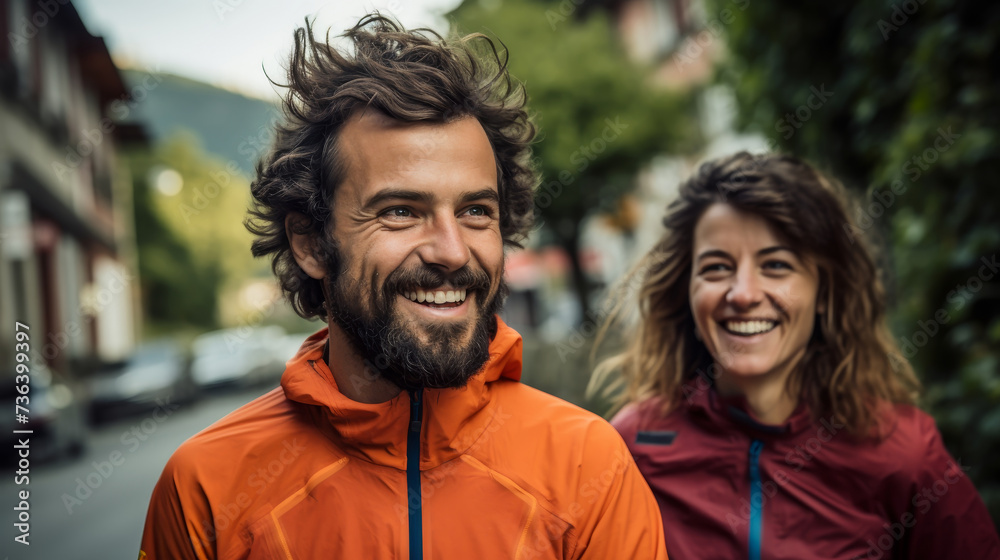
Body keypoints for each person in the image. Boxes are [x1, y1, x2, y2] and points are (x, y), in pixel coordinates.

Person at [138, 15, 667, 560]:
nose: (453, 251)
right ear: (311, 243)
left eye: (475, 211)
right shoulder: (205, 488)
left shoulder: (589, 466)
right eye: (400, 211)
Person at [593, 152, 1000, 559]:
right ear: (688, 290)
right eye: (717, 267)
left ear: (824, 292)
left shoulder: (905, 454)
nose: (744, 293)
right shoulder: (633, 445)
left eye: (776, 265)